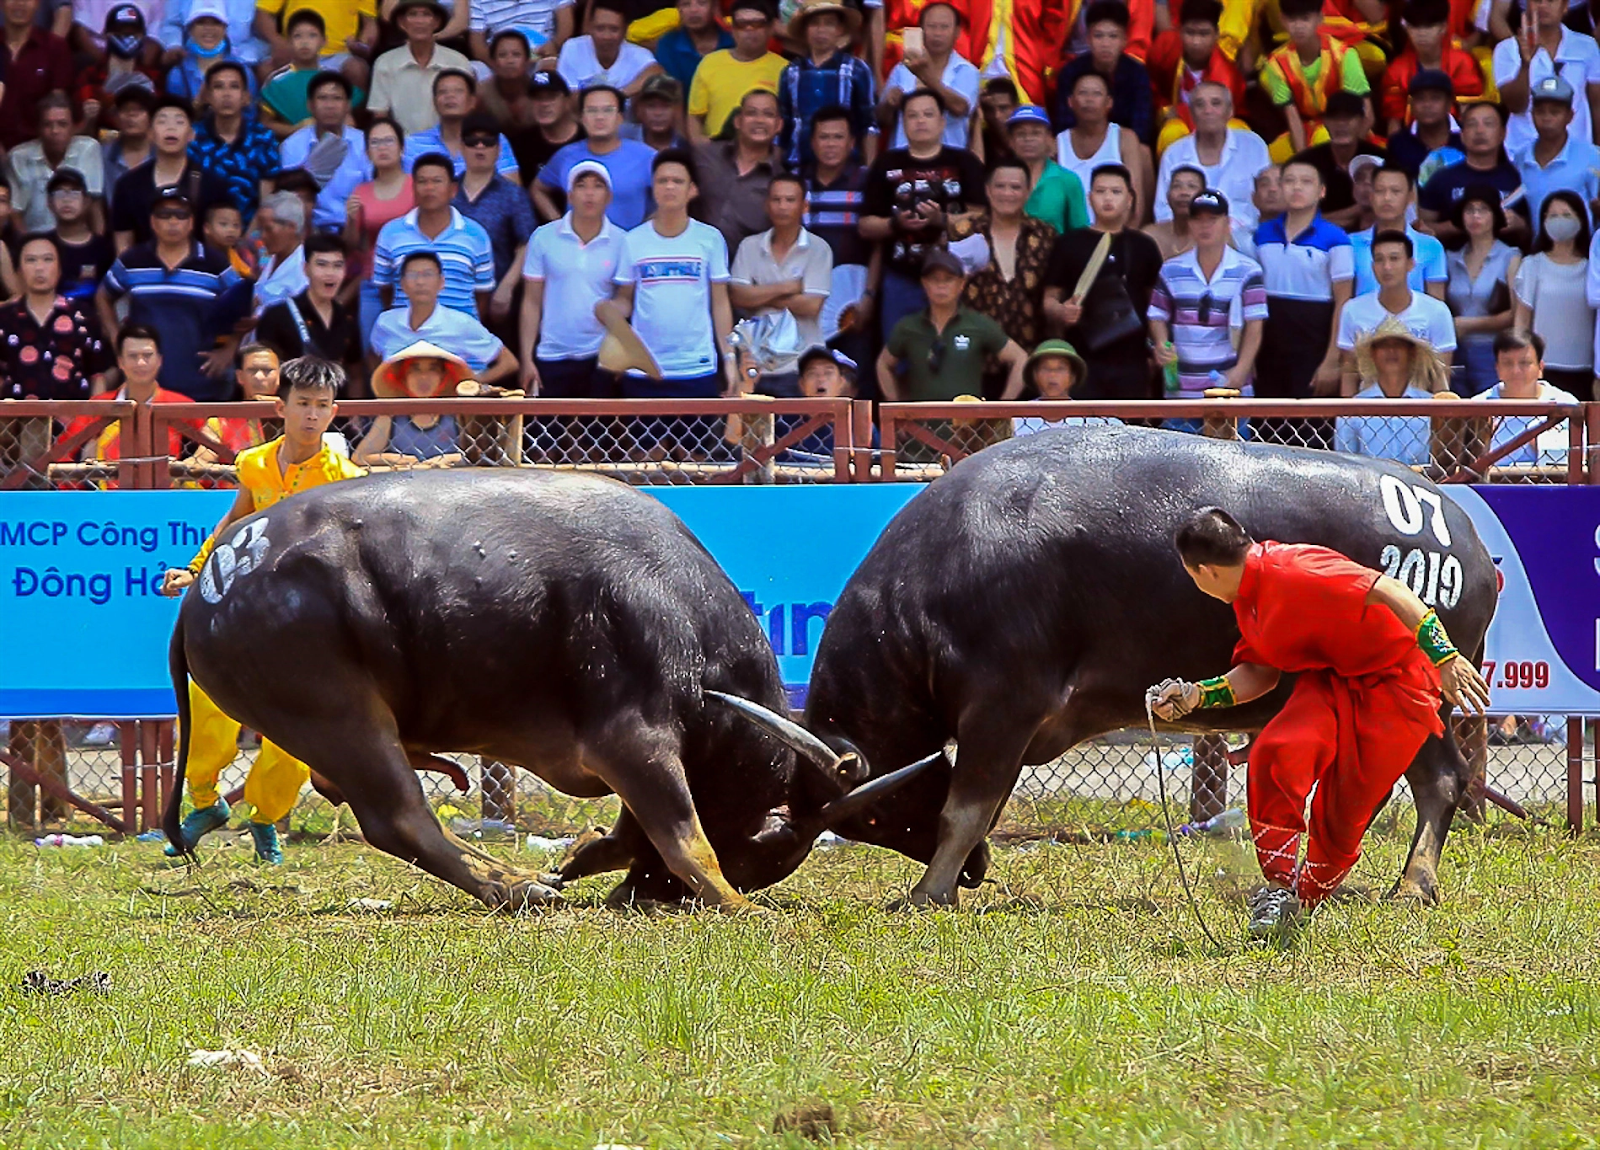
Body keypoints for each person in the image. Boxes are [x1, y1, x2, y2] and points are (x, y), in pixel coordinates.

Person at [1150, 506, 1490, 940]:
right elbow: (1259, 673)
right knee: (1278, 749)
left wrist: (1445, 657)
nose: (1195, 585)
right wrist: (1196, 695)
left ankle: (1304, 898)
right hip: (1332, 681)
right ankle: (1279, 888)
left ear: (1205, 570)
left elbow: (1388, 589)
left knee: (1341, 813)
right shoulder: (1247, 600)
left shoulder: (1295, 568)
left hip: (1394, 685)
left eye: (1192, 576)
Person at [158, 356, 366, 866]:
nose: (312, 415)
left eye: (322, 407)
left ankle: (265, 818)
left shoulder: (344, 476)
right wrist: (196, 568)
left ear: (334, 411)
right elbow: (233, 523)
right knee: (207, 707)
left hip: (309, 628)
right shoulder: (253, 462)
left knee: (296, 733)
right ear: (281, 406)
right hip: (248, 611)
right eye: (303, 404)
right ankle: (205, 803)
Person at [609, 149, 737, 455]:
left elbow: (720, 304)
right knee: (644, 462)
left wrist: (730, 360)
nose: (669, 187)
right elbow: (625, 301)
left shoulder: (709, 239)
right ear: (653, 188)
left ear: (692, 189)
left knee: (693, 462)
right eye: (662, 180)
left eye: (677, 181)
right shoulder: (633, 241)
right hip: (644, 371)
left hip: (696, 369)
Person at [860, 87, 989, 341]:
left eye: (928, 114)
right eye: (912, 115)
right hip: (901, 277)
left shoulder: (965, 162)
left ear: (942, 122)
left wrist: (942, 220)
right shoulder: (886, 163)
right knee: (900, 354)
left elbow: (982, 219)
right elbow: (865, 226)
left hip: (956, 278)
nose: (920, 121)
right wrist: (895, 224)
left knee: (955, 352)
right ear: (902, 122)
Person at [97, 188, 249, 400]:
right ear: (152, 221)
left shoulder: (215, 264)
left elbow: (247, 304)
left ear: (191, 221)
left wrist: (230, 349)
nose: (173, 221)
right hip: (146, 385)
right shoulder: (132, 261)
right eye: (164, 215)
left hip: (201, 383)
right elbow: (103, 295)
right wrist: (116, 337)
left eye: (180, 215)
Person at [1041, 163, 1162, 400]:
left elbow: (1155, 305)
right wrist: (1061, 311)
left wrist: (1157, 346)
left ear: (1130, 199)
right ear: (1089, 197)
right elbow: (1048, 299)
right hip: (1082, 358)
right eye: (1100, 191)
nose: (1108, 198)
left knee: (1131, 431)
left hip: (1132, 359)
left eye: (1116, 192)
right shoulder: (1069, 244)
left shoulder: (1144, 246)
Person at [1252, 159, 1353, 439]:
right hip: (1269, 345)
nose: (1297, 187)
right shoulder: (1261, 236)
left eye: (1306, 181)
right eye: (1290, 181)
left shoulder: (1336, 239)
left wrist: (1332, 360)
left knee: (1312, 431)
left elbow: (1343, 301)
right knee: (1268, 430)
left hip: (1313, 344)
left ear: (1321, 191)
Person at [1148, 187, 1266, 404]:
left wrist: (1241, 370)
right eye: (1198, 219)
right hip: (1182, 387)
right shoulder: (1170, 269)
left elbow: (1254, 326)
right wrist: (1162, 344)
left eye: (1212, 219)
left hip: (1230, 386)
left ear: (1227, 224)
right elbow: (1157, 314)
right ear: (1190, 224)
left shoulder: (1248, 270)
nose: (1205, 225)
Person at [948, 159, 1058, 390]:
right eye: (1000, 186)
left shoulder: (1046, 235)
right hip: (973, 358)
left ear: (1028, 192)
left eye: (1015, 187)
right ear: (987, 190)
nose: (1007, 193)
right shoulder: (962, 232)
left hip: (1031, 357)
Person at [520, 159, 624, 395]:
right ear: (569, 195)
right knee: (546, 431)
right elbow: (531, 301)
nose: (589, 193)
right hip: (551, 352)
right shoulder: (543, 237)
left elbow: (627, 301)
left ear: (608, 197)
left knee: (598, 431)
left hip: (602, 355)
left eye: (598, 186)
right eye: (581, 185)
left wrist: (625, 353)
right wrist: (527, 357)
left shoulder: (622, 241)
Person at [728, 172, 832, 396]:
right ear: (767, 205)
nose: (782, 206)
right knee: (755, 430)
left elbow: (811, 306)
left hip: (801, 366)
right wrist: (787, 287)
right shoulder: (749, 246)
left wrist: (758, 293)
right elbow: (738, 297)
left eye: (790, 200)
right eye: (776, 200)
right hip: (755, 365)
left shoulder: (818, 248)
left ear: (804, 206)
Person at [878, 245, 1028, 401]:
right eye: (934, 279)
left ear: (961, 284)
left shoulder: (978, 324)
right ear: (924, 283)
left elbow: (1020, 358)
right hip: (919, 423)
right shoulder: (908, 326)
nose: (941, 285)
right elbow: (883, 364)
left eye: (948, 279)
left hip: (967, 423)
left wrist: (1002, 407)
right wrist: (896, 408)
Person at [374, 152, 495, 319]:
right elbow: (385, 288)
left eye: (437, 181)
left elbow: (482, 292)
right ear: (413, 188)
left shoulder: (476, 234)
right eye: (422, 182)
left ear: (453, 189)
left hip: (460, 337)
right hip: (408, 335)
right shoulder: (390, 233)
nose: (429, 188)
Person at [801, 105, 879, 366]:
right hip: (806, 300)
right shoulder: (797, 183)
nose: (831, 144)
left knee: (855, 376)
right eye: (824, 137)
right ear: (812, 142)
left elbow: (879, 245)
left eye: (838, 137)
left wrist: (869, 296)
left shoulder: (868, 182)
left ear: (851, 142)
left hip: (853, 303)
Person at [1338, 230, 1457, 394]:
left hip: (1421, 407)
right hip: (1368, 406)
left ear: (1410, 264)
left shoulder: (1437, 311)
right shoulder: (1352, 310)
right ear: (1373, 267)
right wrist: (1347, 417)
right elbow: (1349, 373)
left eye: (1394, 259)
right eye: (1379, 260)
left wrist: (1439, 416)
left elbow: (1441, 375)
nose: (1387, 267)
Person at [0, 232, 112, 400]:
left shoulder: (82, 315)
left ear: (60, 269)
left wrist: (93, 421)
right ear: (18, 270)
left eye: (48, 259)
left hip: (75, 422)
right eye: (31, 260)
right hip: (17, 422)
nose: (39, 267)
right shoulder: (4, 317)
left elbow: (98, 375)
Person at [110, 95, 230, 252]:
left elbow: (220, 245)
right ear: (150, 134)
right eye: (162, 121)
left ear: (191, 135)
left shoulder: (213, 185)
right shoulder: (128, 184)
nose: (170, 128)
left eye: (179, 122)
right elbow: (123, 242)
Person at [372, 251, 518, 380]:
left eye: (428, 274)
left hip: (448, 407)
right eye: (412, 275)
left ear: (441, 282)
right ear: (402, 284)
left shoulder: (460, 323)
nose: (420, 282)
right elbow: (373, 356)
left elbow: (509, 362)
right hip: (399, 406)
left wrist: (472, 384)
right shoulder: (386, 322)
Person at [453, 112, 535, 337]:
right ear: (461, 147)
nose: (480, 147)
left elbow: (527, 243)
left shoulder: (514, 194)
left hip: (497, 300)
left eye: (488, 141)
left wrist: (507, 287)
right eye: (472, 141)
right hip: (452, 298)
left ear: (499, 149)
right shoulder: (447, 191)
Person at [1260, 0, 1371, 163]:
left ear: (1320, 18)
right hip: (1306, 129)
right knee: (1270, 157)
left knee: (1325, 139)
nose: (1298, 26)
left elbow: (1367, 114)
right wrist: (1304, 160)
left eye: (1305, 19)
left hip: (1345, 126)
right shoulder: (1275, 63)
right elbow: (1292, 117)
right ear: (1282, 20)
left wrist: (1350, 154)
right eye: (1292, 20)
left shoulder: (1344, 54)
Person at [1153, 81, 1271, 231]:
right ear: (1191, 113)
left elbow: (1267, 202)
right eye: (1200, 104)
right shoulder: (1174, 154)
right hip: (1189, 239)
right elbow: (1163, 210)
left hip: (1246, 238)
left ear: (1230, 111)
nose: (1208, 110)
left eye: (1216, 103)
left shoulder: (1253, 146)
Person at [533, 84, 657, 226]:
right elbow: (538, 189)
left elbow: (673, 196)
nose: (599, 117)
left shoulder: (646, 157)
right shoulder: (566, 156)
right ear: (581, 118)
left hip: (629, 245)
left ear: (620, 117)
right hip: (578, 245)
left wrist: (644, 232)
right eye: (592, 111)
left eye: (608, 110)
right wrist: (557, 223)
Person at [1333, 318, 1451, 466]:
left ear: (1411, 353)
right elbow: (1345, 464)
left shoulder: (1431, 406)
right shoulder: (1351, 410)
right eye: (1383, 346)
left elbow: (1443, 461)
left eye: (1398, 345)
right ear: (1373, 354)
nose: (1391, 351)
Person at [1492, 0, 1600, 157]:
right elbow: (1515, 106)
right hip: (1522, 150)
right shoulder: (1506, 49)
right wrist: (1525, 65)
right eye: (1536, 1)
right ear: (1527, 6)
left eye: (1551, 1)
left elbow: (1597, 104)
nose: (1543, 6)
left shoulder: (1587, 46)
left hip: (1578, 152)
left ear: (1564, 7)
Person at [777, 0, 876, 169]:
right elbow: (782, 126)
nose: (821, 30)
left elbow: (868, 125)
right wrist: (777, 169)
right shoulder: (791, 72)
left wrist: (869, 171)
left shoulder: (856, 69)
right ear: (805, 30)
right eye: (814, 23)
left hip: (847, 167)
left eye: (829, 23)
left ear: (840, 30)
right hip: (798, 164)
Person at [1514, 189, 1595, 395]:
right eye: (1553, 216)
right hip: (1543, 366)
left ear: (1581, 219)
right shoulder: (1533, 265)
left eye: (1567, 215)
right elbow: (1522, 321)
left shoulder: (1592, 267)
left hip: (1586, 366)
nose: (1560, 221)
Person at [254, 232, 363, 382]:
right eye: (321, 265)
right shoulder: (277, 315)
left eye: (337, 266)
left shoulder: (348, 318)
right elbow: (263, 374)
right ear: (305, 269)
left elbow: (355, 373)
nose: (330, 273)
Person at [694, 85, 785, 260]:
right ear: (737, 121)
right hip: (693, 266)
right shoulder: (704, 156)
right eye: (752, 113)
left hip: (746, 273)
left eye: (768, 114)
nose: (759, 120)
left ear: (779, 125)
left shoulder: (781, 179)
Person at [347, 117, 414, 350]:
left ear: (402, 147)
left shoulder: (416, 186)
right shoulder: (361, 191)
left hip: (410, 281)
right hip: (372, 282)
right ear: (366, 152)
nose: (382, 147)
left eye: (388, 141)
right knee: (373, 352)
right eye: (375, 142)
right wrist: (351, 219)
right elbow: (353, 245)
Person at [1418, 102, 1528, 244]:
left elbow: (1531, 235)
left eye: (1488, 124)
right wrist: (1457, 225)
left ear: (1503, 133)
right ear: (1462, 135)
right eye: (1472, 124)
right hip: (1452, 262)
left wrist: (1520, 225)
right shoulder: (1442, 179)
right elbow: (1421, 229)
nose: (1480, 131)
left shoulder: (1516, 177)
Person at [1145, 0, 1246, 154]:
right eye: (1190, 33)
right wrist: (1164, 111)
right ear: (1179, 31)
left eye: (1204, 34)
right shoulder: (1165, 46)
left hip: (1218, 126)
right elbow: (1151, 86)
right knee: (1172, 133)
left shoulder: (1226, 74)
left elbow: (1217, 115)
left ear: (1216, 34)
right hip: (1172, 124)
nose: (1196, 42)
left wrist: (1179, 111)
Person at [1448, 185, 1521, 397]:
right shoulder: (1451, 258)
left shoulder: (1510, 256)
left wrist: (1467, 325)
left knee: (1489, 417)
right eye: (1469, 210)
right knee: (1455, 417)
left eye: (1483, 209)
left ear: (1495, 216)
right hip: (1455, 351)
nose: (1475, 216)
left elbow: (1515, 314)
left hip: (1492, 351)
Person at [276, 73, 371, 234]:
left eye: (337, 98)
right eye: (322, 98)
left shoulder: (364, 144)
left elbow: (373, 191)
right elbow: (290, 198)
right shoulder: (292, 146)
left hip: (355, 229)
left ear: (348, 106)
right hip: (308, 230)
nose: (330, 105)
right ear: (310, 106)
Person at [1052, 0, 1154, 152]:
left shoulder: (1137, 73)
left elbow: (1141, 128)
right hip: (1080, 142)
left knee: (1143, 151)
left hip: (1123, 144)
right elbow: (1064, 124)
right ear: (1088, 39)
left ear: (1124, 40)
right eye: (1098, 36)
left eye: (1113, 36)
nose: (1105, 44)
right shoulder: (1071, 72)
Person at [879, 2, 978, 151]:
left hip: (949, 160)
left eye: (944, 27)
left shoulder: (967, 71)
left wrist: (925, 76)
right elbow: (882, 119)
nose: (937, 33)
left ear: (957, 32)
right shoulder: (902, 69)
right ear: (921, 29)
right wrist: (889, 104)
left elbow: (960, 108)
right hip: (903, 158)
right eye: (931, 26)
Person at [1474, 328, 1583, 463]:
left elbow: (1584, 458)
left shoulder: (1566, 404)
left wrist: (1541, 445)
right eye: (1507, 363)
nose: (1516, 371)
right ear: (1497, 368)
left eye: (1525, 363)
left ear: (1540, 368)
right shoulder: (1478, 406)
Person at [355, 341, 473, 467]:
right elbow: (360, 457)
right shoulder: (390, 416)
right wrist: (399, 460)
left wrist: (447, 460)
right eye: (415, 370)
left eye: (432, 369)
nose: (423, 377)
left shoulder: (457, 414)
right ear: (404, 377)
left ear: (443, 376)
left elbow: (479, 455)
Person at [685, 0, 785, 145]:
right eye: (741, 24)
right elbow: (694, 116)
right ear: (732, 30)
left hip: (765, 152)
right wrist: (702, 147)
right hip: (716, 151)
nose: (749, 29)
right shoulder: (710, 62)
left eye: (757, 24)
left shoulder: (785, 70)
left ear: (770, 28)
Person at [1514, 74, 1600, 241]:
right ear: (1531, 115)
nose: (1547, 118)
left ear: (1570, 116)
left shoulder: (1593, 157)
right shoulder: (1520, 159)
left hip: (1581, 256)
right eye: (1540, 111)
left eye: (1555, 112)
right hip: (1535, 256)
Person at [188, 60, 278, 221]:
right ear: (207, 96)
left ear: (246, 97)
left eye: (234, 86)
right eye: (218, 87)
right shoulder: (192, 137)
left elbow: (266, 201)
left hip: (252, 233)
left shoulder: (263, 139)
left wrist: (246, 241)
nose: (226, 94)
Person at [368, 0, 473, 135]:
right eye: (413, 14)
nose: (419, 21)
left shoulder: (457, 62)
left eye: (426, 14)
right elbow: (380, 115)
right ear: (402, 22)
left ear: (436, 22)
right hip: (404, 146)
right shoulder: (385, 63)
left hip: (447, 143)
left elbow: (467, 112)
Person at [1055, 72, 1150, 222]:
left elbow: (1135, 203)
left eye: (1097, 94)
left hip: (1116, 234)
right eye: (1082, 93)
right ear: (1070, 101)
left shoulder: (1125, 138)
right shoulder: (1057, 143)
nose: (1089, 99)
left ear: (1109, 102)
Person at [1380, 0, 1485, 136]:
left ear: (1443, 27)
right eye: (1415, 27)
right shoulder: (1396, 69)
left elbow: (1468, 114)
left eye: (1429, 27)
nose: (1422, 33)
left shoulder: (1463, 62)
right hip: (1412, 141)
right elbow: (1394, 122)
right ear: (1407, 29)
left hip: (1456, 140)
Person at [7, 93, 105, 233]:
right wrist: (27, 245)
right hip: (36, 238)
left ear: (74, 127)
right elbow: (15, 212)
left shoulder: (88, 149)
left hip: (77, 239)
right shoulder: (19, 157)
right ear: (38, 129)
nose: (55, 131)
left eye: (62, 124)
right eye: (47, 125)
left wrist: (98, 245)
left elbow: (95, 204)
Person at [1288, 92, 1385, 230]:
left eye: (1348, 118)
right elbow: (1295, 219)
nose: (1341, 124)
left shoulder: (1380, 159)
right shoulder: (1305, 163)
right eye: (1335, 118)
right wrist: (1356, 211)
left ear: (1362, 121)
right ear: (1325, 122)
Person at [1349, 164, 1448, 298]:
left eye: (1395, 191)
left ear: (1410, 197)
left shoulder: (1431, 246)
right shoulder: (1350, 244)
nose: (1387, 198)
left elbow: (1437, 303)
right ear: (1371, 197)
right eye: (1379, 191)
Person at [402, 69, 521, 179]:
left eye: (458, 91)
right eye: (443, 92)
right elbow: (409, 193)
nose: (450, 96)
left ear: (472, 101)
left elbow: (512, 192)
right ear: (434, 101)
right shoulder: (413, 144)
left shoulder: (493, 140)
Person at [0, 0, 74, 153]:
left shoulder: (55, 47)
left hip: (38, 151)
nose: (19, 3)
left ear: (38, 4)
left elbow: (57, 105)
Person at [254, 0, 376, 92]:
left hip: (339, 53)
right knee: (266, 70)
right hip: (295, 51)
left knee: (358, 69)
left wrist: (362, 45)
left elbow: (370, 23)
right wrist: (279, 43)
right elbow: (263, 13)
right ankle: (272, 123)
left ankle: (352, 123)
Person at [1006, 105, 1088, 236]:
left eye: (1036, 133)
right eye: (1021, 134)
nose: (1028, 139)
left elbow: (1080, 233)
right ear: (1010, 141)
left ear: (1049, 138)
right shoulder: (1000, 178)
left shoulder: (1068, 180)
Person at [557, 0, 661, 96]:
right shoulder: (573, 48)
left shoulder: (639, 55)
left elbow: (657, 71)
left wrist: (621, 94)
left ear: (625, 30)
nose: (606, 36)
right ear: (590, 27)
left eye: (614, 29)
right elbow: (569, 98)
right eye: (600, 28)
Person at [258, 9, 334, 139]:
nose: (305, 42)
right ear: (288, 42)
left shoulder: (333, 80)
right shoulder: (276, 80)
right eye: (298, 36)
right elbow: (265, 123)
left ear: (324, 41)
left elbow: (348, 121)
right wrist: (295, 129)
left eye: (312, 36)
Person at [44, 169, 114, 303]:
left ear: (87, 201)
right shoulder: (41, 245)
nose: (66, 200)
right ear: (49, 202)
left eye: (74, 193)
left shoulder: (104, 248)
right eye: (59, 193)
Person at [164, 4, 257, 104]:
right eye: (201, 23)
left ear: (225, 29)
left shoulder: (244, 71)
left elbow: (250, 113)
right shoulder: (178, 73)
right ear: (190, 30)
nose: (208, 28)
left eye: (216, 23)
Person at [507, 70, 583, 187]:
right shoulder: (520, 144)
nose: (544, 104)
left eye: (551, 97)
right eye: (537, 98)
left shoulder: (586, 138)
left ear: (567, 101)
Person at [1384, 69, 1463, 178]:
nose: (1427, 105)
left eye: (1435, 98)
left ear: (1449, 103)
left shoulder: (1467, 136)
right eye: (1420, 99)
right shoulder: (1398, 143)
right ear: (1411, 105)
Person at [1011, 340, 1096, 433]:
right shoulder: (1015, 421)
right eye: (1045, 368)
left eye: (1060, 368)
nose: (1052, 374)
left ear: (1072, 377)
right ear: (1035, 375)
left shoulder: (1090, 421)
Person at [467, 0, 575, 68]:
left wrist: (554, 45)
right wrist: (498, 65)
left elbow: (566, 24)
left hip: (542, 53)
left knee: (552, 67)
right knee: (476, 69)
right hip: (499, 58)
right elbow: (477, 45)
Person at [654, 0, 730, 95]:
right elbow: (670, 91)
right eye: (686, 4)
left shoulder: (732, 40)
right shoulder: (668, 44)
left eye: (702, 3)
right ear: (678, 10)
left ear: (714, 8)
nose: (693, 10)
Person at [252, 191, 308, 314]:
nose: (262, 236)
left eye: (268, 229)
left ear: (291, 227)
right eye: (260, 230)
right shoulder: (272, 258)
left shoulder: (304, 271)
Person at [101, 86, 156, 211]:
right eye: (125, 110)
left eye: (139, 110)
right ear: (116, 117)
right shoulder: (103, 154)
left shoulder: (162, 155)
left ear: (152, 118)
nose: (131, 115)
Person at [475, 30, 539, 133]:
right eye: (502, 55)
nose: (510, 61)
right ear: (493, 61)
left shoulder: (540, 91)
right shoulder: (480, 94)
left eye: (516, 55)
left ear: (527, 60)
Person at [1144, 163, 1203, 259]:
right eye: (1176, 186)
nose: (1183, 192)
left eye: (1192, 186)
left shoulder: (1217, 237)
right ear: (1167, 196)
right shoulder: (1150, 236)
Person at [625, 73, 689, 151]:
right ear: (640, 109)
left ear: (676, 109)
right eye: (651, 106)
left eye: (666, 106)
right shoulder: (622, 137)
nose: (658, 113)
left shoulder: (688, 145)